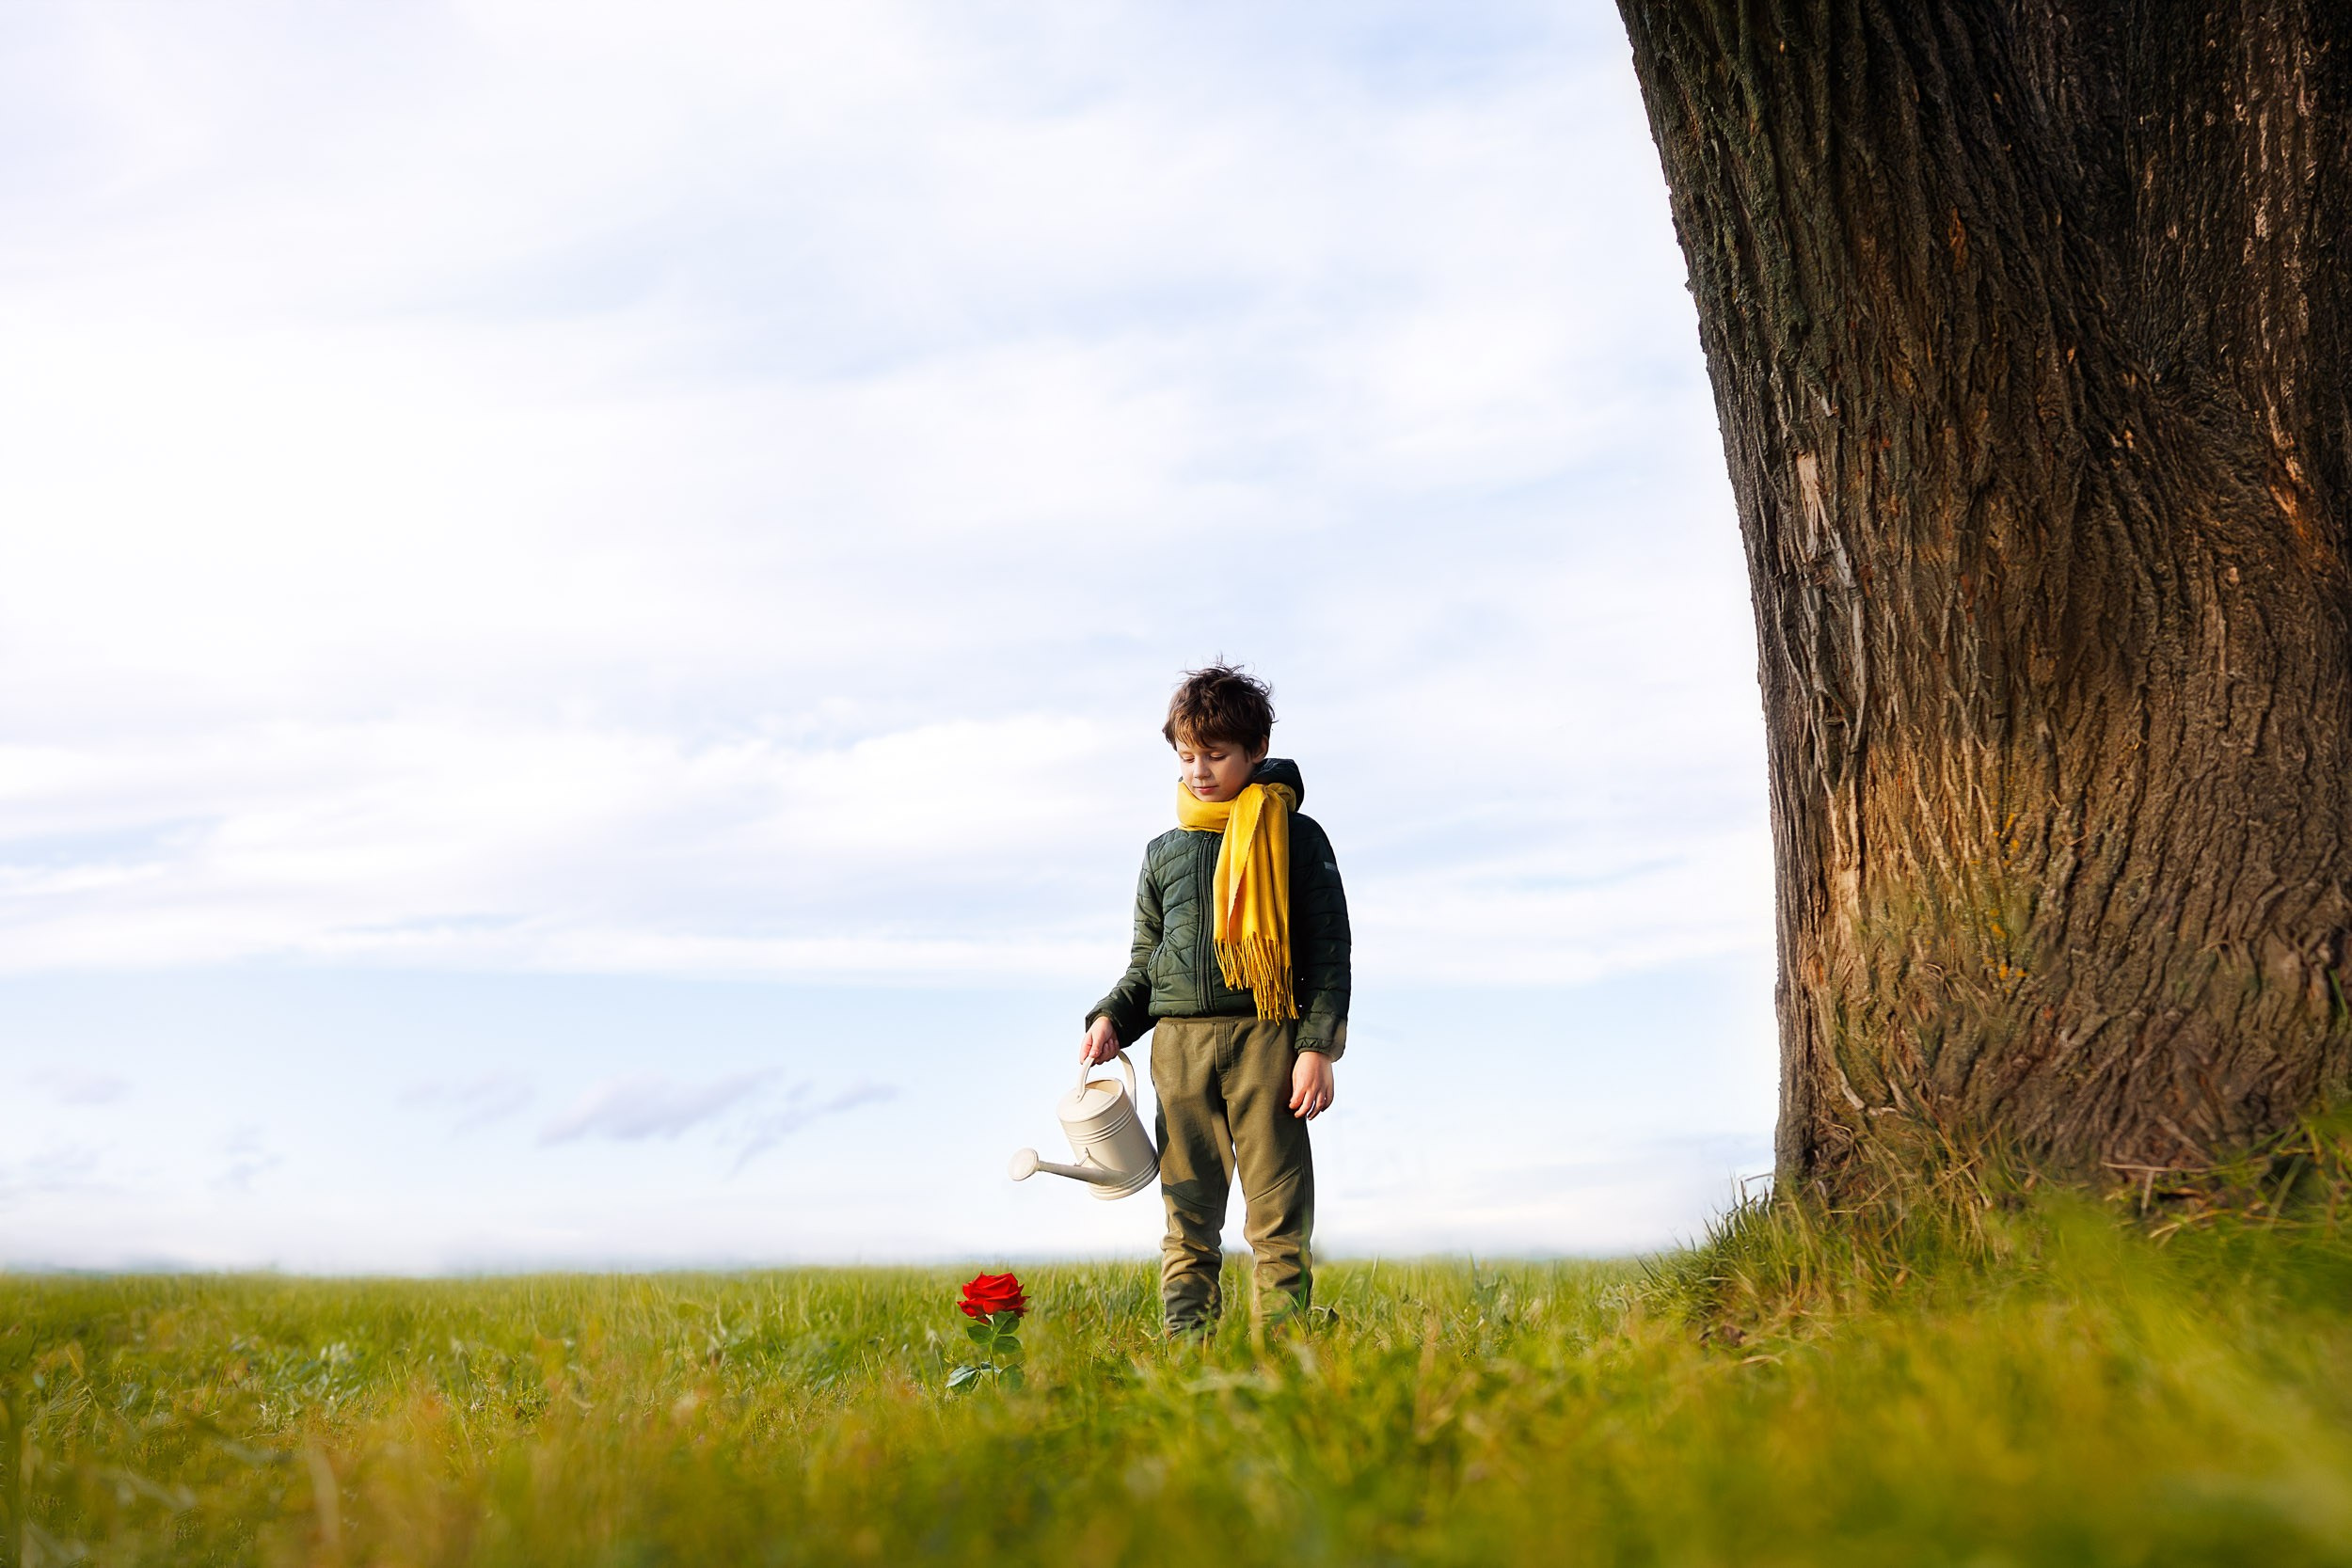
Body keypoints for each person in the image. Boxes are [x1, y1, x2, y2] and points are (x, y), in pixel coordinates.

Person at [1082, 663, 1351, 1335]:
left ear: (1256, 750)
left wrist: (1316, 1046)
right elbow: (1149, 963)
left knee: (1278, 1220)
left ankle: (1283, 1359)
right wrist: (1113, 1016)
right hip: (1179, 1050)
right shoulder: (1163, 853)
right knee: (1187, 1223)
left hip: (1268, 1042)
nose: (1199, 770)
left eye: (1216, 754)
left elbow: (1327, 953)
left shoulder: (1297, 836)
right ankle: (1186, 1361)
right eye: (1187, 754)